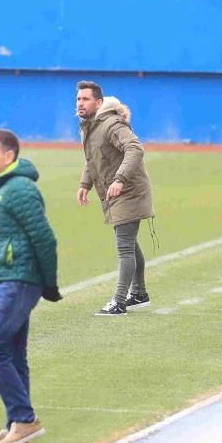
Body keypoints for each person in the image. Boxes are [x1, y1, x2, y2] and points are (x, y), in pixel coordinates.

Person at [0, 129, 62, 443]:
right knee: (12, 354)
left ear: (8, 156)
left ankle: (24, 419)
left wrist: (49, 283)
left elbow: (44, 237)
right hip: (8, 278)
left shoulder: (19, 190)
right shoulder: (4, 189)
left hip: (19, 280)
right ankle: (16, 423)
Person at [75, 81, 155, 317]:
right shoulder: (89, 126)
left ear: (98, 103)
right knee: (129, 242)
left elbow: (135, 148)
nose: (80, 103)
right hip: (114, 190)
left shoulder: (111, 124)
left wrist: (120, 179)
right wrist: (84, 184)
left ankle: (119, 302)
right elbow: (93, 160)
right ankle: (139, 294)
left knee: (124, 246)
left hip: (129, 190)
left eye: (85, 99)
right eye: (78, 99)